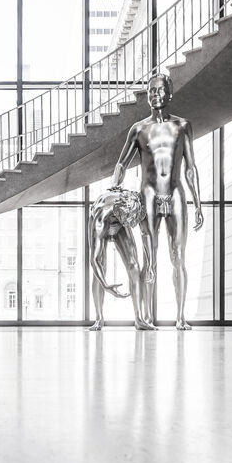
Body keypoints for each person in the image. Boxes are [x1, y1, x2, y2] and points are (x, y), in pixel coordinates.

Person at [111, 73, 204, 329]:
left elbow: (190, 168)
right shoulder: (139, 129)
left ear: (169, 94)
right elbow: (121, 163)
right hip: (148, 195)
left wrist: (197, 203)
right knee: (149, 258)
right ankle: (146, 317)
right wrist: (113, 188)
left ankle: (181, 316)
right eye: (151, 91)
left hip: (175, 194)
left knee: (178, 257)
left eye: (159, 90)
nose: (155, 95)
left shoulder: (182, 126)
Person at [88, 187, 154, 331]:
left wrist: (149, 264)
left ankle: (139, 318)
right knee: (100, 266)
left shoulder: (135, 206)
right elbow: (94, 259)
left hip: (120, 223)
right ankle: (99, 318)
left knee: (134, 266)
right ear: (119, 211)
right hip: (103, 220)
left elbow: (146, 234)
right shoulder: (101, 217)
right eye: (128, 219)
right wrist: (106, 286)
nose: (131, 223)